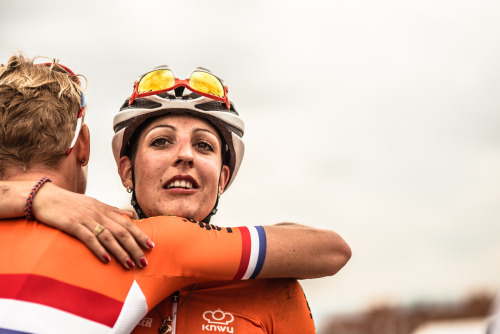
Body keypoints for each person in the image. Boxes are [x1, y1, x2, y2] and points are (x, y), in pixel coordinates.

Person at [0, 54, 350, 333]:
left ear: (223, 177)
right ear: (125, 170)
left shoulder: (274, 290)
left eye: (203, 145)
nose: (184, 155)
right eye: (162, 141)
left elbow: (332, 249)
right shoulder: (118, 241)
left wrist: (37, 195)